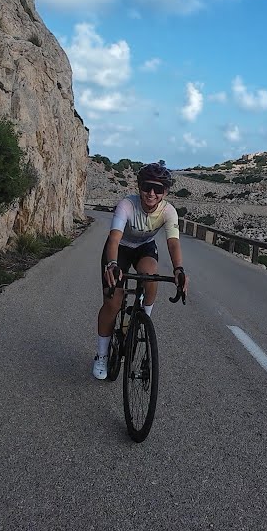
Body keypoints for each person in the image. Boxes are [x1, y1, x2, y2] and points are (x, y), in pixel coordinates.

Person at [93, 160, 188, 380]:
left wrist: (179, 269)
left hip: (144, 248)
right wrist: (112, 264)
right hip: (119, 249)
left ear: (165, 192)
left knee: (150, 275)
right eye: (147, 187)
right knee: (113, 302)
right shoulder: (127, 205)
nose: (151, 193)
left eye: (158, 189)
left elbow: (173, 243)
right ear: (139, 187)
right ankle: (102, 355)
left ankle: (144, 319)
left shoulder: (169, 211)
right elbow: (114, 239)